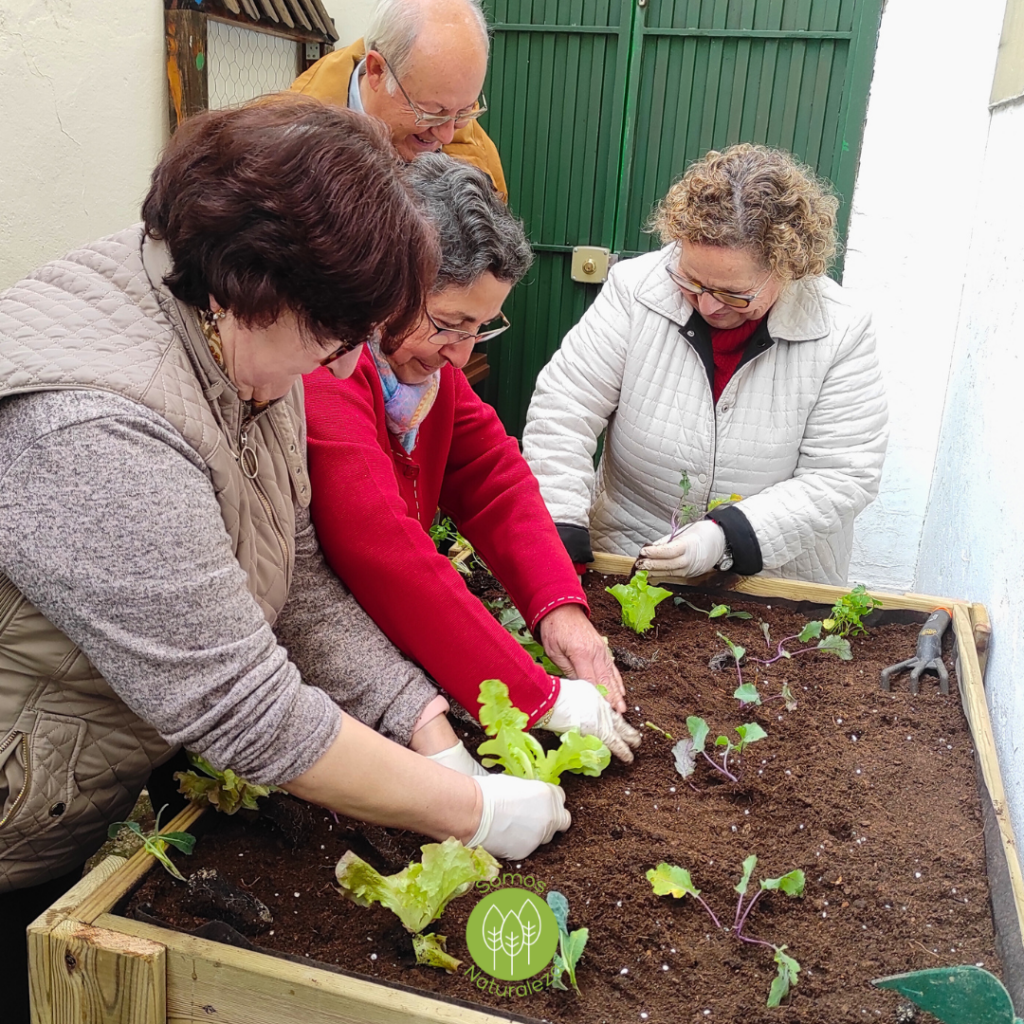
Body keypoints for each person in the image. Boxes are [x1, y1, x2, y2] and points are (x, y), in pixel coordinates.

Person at [0, 98, 567, 1024]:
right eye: (340, 338)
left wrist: (423, 724)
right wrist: (466, 812)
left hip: (89, 777)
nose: (347, 370)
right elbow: (241, 708)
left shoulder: (243, 338)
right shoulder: (98, 428)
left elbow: (294, 571)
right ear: (256, 286)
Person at [304, 153, 640, 767]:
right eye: (451, 324)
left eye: (482, 328)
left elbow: (493, 480)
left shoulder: (421, 369)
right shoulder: (322, 368)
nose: (460, 357)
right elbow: (384, 551)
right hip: (311, 678)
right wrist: (536, 698)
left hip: (385, 663)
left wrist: (558, 608)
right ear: (382, 282)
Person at [522, 143, 889, 586]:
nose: (710, 305)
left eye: (735, 293)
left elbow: (842, 476)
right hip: (630, 553)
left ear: (788, 267)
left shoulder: (840, 330)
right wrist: (561, 526)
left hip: (774, 578)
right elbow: (564, 410)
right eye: (691, 281)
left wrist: (727, 537)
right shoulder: (635, 290)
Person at [292, 0, 506, 197]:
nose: (447, 136)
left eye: (464, 111)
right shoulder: (286, 149)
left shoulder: (481, 158)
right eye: (432, 111)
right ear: (376, 70)